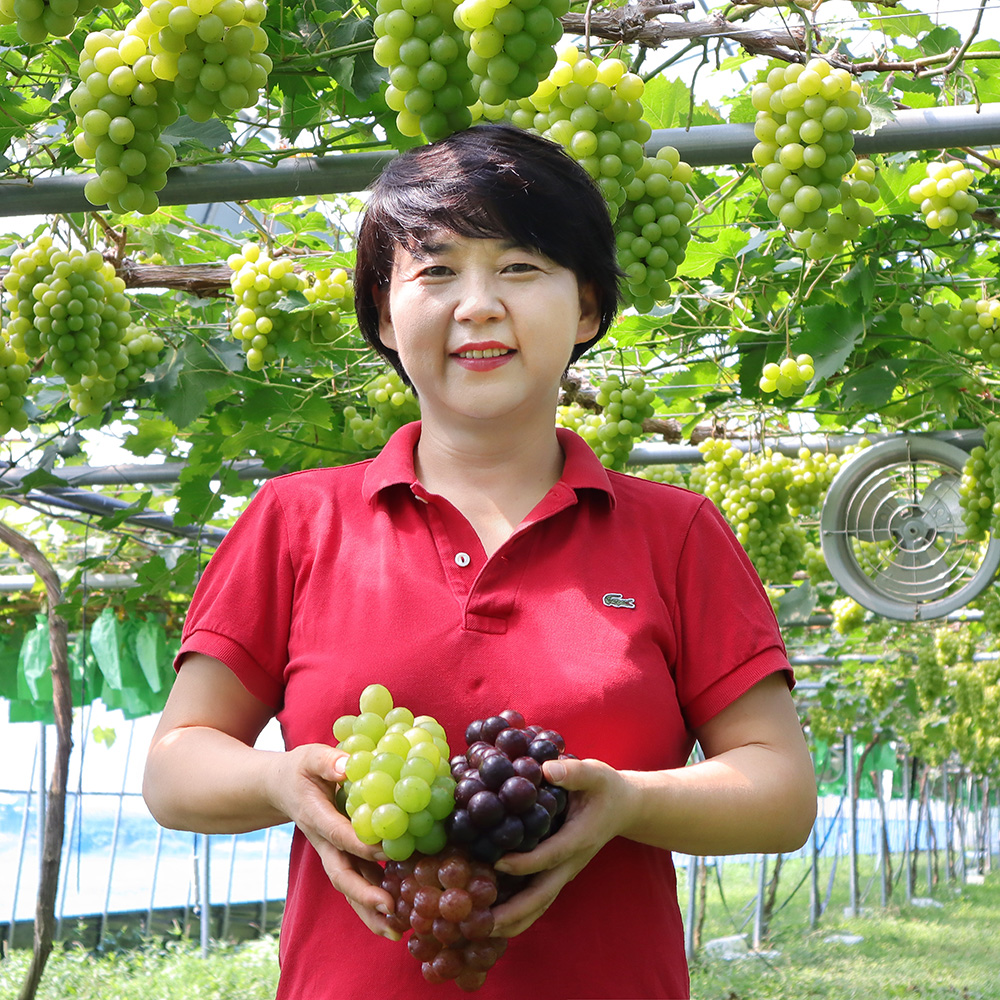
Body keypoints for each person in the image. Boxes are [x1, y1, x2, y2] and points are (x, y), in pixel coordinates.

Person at [143, 123, 817, 1000]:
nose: (478, 304)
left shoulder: (676, 533)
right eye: (435, 270)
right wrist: (280, 780)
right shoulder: (295, 521)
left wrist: (630, 802)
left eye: (521, 267)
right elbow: (174, 767)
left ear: (587, 306)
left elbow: (781, 790)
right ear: (385, 315)